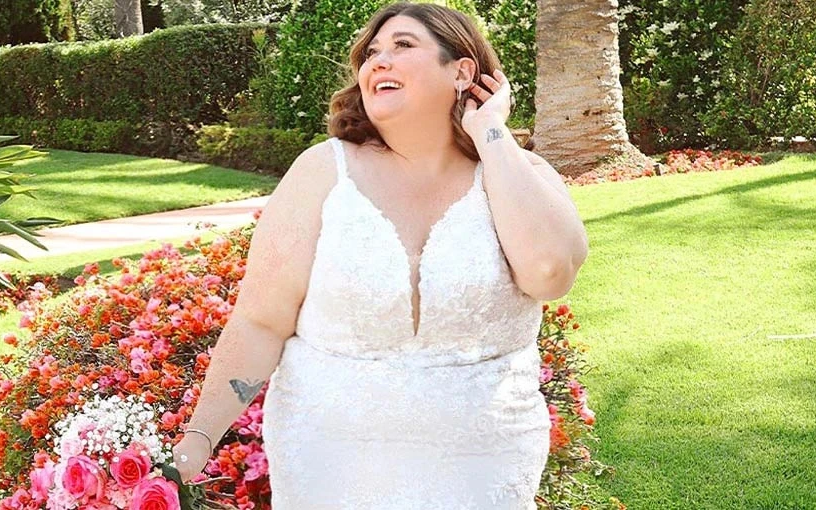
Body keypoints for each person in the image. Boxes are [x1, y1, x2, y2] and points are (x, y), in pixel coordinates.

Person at [172, 2, 588, 508]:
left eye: (403, 46)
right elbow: (260, 322)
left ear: (462, 72)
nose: (378, 62)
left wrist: (492, 133)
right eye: (372, 53)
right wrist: (198, 438)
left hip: (481, 465)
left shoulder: (519, 173)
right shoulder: (322, 172)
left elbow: (549, 273)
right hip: (329, 464)